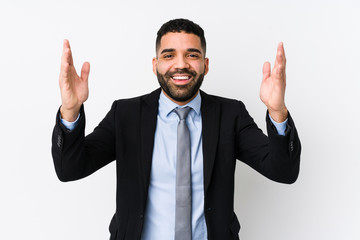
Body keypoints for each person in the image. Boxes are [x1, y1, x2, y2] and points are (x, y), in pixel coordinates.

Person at [52, 18, 301, 240]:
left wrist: (277, 111)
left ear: (205, 64)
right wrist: (70, 110)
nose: (180, 65)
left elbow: (283, 171)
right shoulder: (126, 114)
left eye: (192, 55)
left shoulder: (230, 114)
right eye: (169, 55)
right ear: (155, 64)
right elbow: (70, 169)